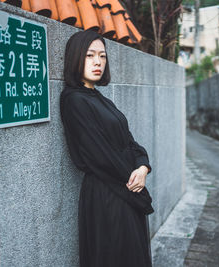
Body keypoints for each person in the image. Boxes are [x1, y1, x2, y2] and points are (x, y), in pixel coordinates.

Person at [60, 29, 154, 267]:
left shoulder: (101, 99)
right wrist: (136, 188)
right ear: (76, 58)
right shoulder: (73, 100)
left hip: (127, 188)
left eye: (102, 56)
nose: (97, 62)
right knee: (114, 256)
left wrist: (143, 167)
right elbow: (99, 156)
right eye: (90, 55)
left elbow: (130, 141)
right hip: (107, 194)